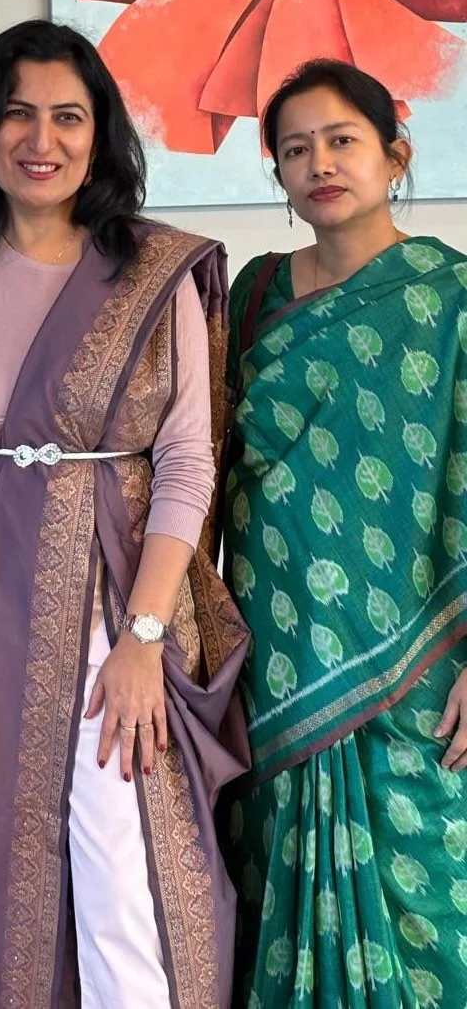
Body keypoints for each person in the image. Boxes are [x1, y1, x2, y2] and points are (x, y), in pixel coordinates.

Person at [0, 19, 249, 1009]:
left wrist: (143, 639)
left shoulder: (152, 271)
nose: (41, 139)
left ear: (99, 137)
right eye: (17, 114)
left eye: (68, 117)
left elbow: (187, 461)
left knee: (123, 873)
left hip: (116, 603)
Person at [221, 57, 467, 1008]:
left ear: (394, 155)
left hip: (414, 652)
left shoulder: (447, 296)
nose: (318, 163)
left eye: (341, 140)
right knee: (271, 871)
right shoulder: (252, 295)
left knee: (426, 882)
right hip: (273, 649)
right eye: (295, 150)